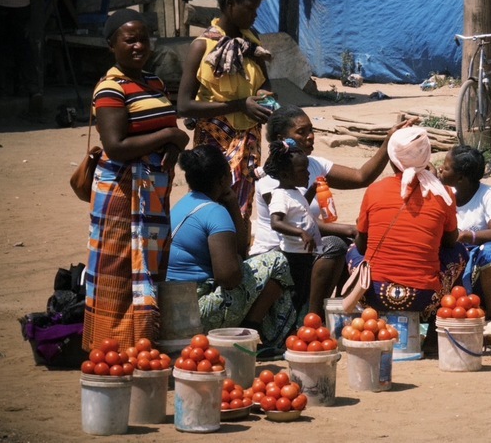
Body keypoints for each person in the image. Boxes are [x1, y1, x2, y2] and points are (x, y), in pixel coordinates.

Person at [82, 10, 189, 351]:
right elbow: (116, 146)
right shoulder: (110, 88)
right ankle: (110, 347)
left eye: (144, 38)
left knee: (150, 265)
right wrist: (169, 135)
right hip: (121, 191)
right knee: (118, 268)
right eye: (130, 40)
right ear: (111, 44)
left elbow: (165, 130)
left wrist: (172, 144)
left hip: (152, 191)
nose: (139, 45)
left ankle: (142, 344)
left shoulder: (154, 83)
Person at [263, 104, 418, 315]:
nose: (310, 137)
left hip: (305, 248)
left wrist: (387, 142)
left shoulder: (313, 164)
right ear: (282, 138)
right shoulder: (274, 177)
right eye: (301, 132)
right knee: (337, 244)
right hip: (282, 252)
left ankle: (342, 310)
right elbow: (301, 222)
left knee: (350, 248)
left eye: (311, 130)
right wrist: (350, 230)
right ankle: (314, 317)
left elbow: (361, 176)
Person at [167, 146, 298, 352]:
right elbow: (229, 278)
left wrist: (233, 206)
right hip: (198, 313)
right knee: (277, 262)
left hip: (173, 310)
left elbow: (239, 252)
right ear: (223, 178)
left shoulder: (182, 205)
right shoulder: (214, 213)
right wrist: (237, 261)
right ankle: (250, 331)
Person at [178, 0, 274, 223]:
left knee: (241, 209)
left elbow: (266, 85)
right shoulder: (202, 46)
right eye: (250, 8)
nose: (255, 14)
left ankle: (236, 257)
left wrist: (264, 97)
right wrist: (240, 105)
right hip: (214, 143)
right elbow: (184, 105)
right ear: (230, 4)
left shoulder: (252, 41)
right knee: (212, 207)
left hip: (249, 141)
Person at [351, 127, 463, 324]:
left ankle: (362, 312)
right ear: (426, 156)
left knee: (352, 250)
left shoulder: (374, 190)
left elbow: (361, 245)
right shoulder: (444, 194)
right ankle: (443, 320)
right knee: (460, 251)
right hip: (423, 297)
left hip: (375, 294)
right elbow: (451, 241)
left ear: (393, 159)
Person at [438, 145, 491, 319]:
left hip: (481, 269)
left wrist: (467, 236)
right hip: (451, 265)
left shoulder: (489, 195)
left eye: (446, 167)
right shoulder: (442, 195)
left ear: (461, 178)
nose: (441, 168)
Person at [255, 140, 321, 318]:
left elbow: (300, 208)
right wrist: (301, 232)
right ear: (285, 174)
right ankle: (287, 331)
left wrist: (312, 190)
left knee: (303, 293)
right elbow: (276, 222)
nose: (308, 174)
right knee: (295, 295)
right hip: (293, 256)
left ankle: (296, 327)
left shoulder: (295, 192)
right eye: (302, 171)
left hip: (304, 254)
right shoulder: (280, 195)